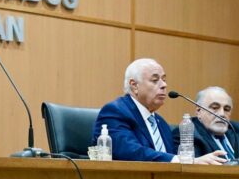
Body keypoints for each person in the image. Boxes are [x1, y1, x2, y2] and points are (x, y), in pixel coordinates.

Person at [93, 58, 226, 163]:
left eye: (164, 79)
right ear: (134, 86)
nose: (164, 85)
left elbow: (171, 155)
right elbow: (129, 151)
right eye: (155, 80)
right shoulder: (115, 112)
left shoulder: (161, 123)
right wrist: (180, 160)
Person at [171, 86, 239, 164]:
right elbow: (192, 171)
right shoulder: (188, 133)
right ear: (199, 111)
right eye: (215, 108)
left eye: (227, 109)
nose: (222, 114)